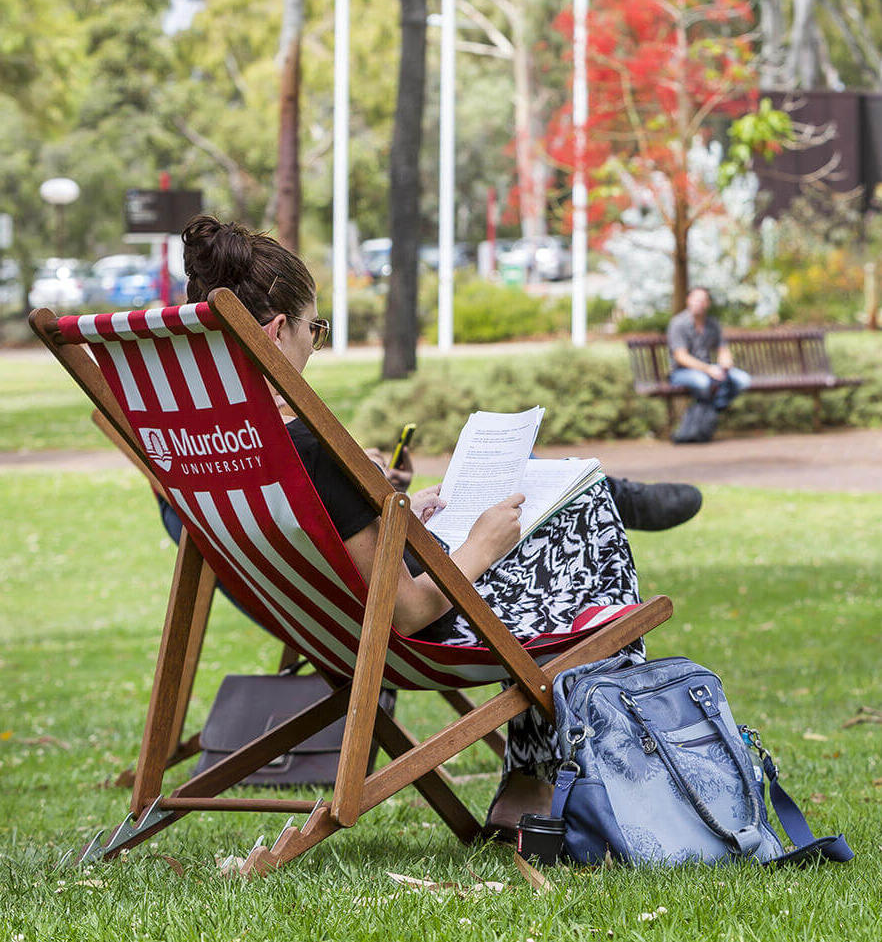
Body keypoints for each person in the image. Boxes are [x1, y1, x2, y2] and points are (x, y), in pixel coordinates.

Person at [162, 216, 697, 839]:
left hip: (331, 631)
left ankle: (537, 782)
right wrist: (479, 545)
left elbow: (320, 543)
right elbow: (412, 613)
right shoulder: (309, 446)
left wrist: (391, 516)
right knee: (588, 544)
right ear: (278, 330)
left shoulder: (209, 446)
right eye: (317, 329)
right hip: (420, 637)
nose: (316, 344)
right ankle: (601, 786)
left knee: (568, 522)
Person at [668, 286, 751, 415]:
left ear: (708, 303)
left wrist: (725, 364)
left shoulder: (712, 324)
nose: (699, 303)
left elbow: (723, 349)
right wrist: (708, 369)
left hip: (710, 370)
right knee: (703, 383)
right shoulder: (678, 324)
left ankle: (712, 411)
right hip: (682, 372)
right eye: (696, 299)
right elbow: (681, 356)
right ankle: (706, 413)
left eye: (703, 300)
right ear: (688, 300)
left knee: (743, 380)